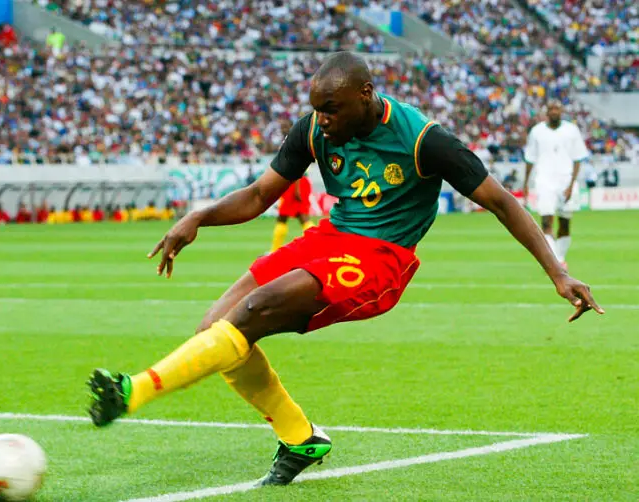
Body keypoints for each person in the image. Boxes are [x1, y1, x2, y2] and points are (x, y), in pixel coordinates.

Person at [88, 53, 603, 487]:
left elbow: (503, 201)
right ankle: (300, 438)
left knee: (253, 310)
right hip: (329, 239)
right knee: (214, 329)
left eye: (331, 109)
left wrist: (558, 273)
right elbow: (259, 195)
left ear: (366, 93)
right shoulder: (315, 127)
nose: (322, 120)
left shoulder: (425, 139)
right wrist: (198, 217)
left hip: (381, 258)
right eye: (316, 110)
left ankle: (133, 391)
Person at [523, 100, 590, 270]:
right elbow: (530, 159)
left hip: (566, 180)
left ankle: (560, 258)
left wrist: (571, 184)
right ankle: (556, 263)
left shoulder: (571, 130)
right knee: (546, 221)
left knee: (565, 223)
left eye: (557, 109)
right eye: (551, 109)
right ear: (546, 112)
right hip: (544, 180)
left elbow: (577, 159)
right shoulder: (537, 132)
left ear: (561, 111)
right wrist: (525, 183)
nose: (554, 112)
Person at [271, 175, 314, 252]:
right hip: (298, 182)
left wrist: (296, 189)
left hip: (294, 183)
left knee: (283, 218)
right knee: (303, 217)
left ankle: (274, 251)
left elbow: (298, 169)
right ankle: (316, 247)